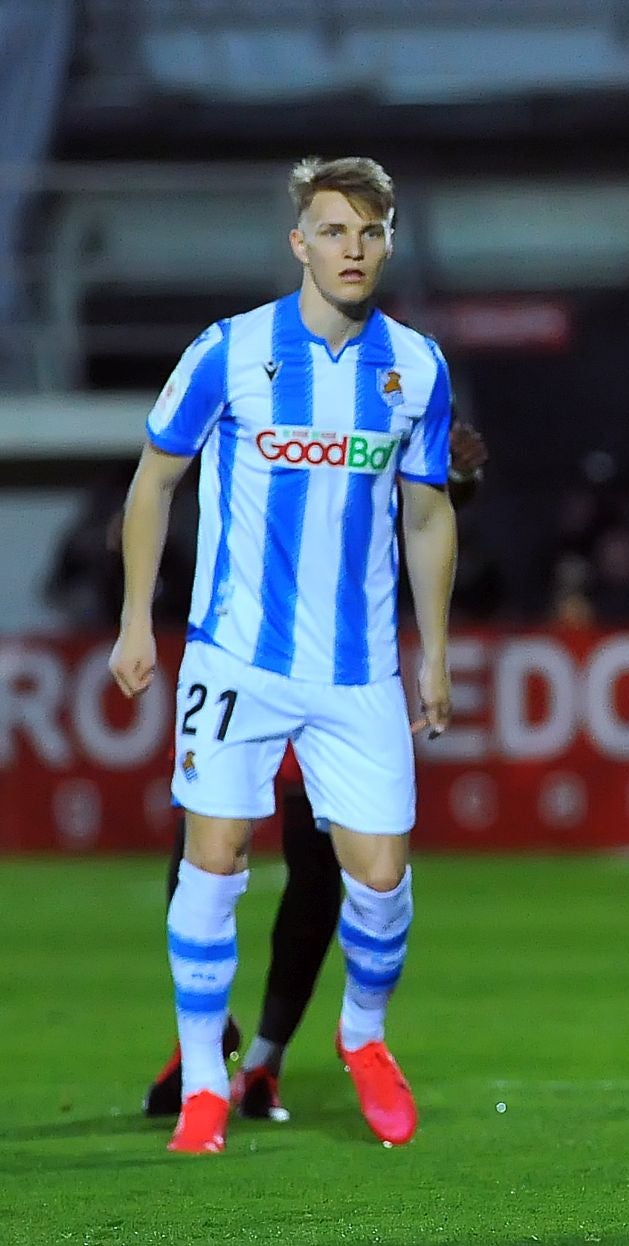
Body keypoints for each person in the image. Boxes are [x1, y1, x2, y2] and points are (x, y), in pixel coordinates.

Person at [109, 155, 458, 1155]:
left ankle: (363, 1036)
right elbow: (152, 483)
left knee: (380, 879)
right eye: (334, 231)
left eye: (370, 233)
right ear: (298, 242)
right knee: (213, 860)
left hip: (356, 671)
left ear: (388, 244)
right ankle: (207, 1086)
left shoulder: (418, 366)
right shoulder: (229, 351)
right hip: (236, 659)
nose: (353, 250)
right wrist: (139, 618)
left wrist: (434, 652)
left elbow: (428, 514)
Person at [142, 422, 486, 1123]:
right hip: (244, 648)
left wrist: (459, 481)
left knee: (320, 854)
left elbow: (414, 503)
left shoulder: (390, 375)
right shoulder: (252, 366)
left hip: (341, 663)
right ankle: (204, 1038)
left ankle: (265, 1059)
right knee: (200, 844)